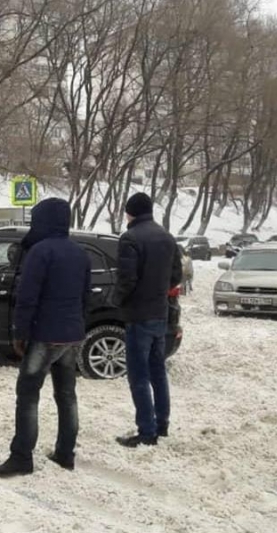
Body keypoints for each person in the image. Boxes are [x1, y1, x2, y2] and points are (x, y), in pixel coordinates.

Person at [0, 197, 92, 477]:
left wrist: (20, 333)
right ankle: (65, 454)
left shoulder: (40, 251)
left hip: (45, 334)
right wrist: (76, 327)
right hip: (72, 335)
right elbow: (84, 297)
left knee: (28, 394)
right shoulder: (80, 253)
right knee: (67, 395)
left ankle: (22, 457)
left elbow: (27, 297)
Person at [115, 192, 182, 448]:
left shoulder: (130, 238)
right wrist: (158, 289)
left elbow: (127, 279)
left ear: (129, 212)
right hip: (160, 313)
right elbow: (176, 274)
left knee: (138, 374)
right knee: (157, 371)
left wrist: (117, 300)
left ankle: (146, 431)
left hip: (138, 315)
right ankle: (161, 423)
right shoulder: (166, 236)